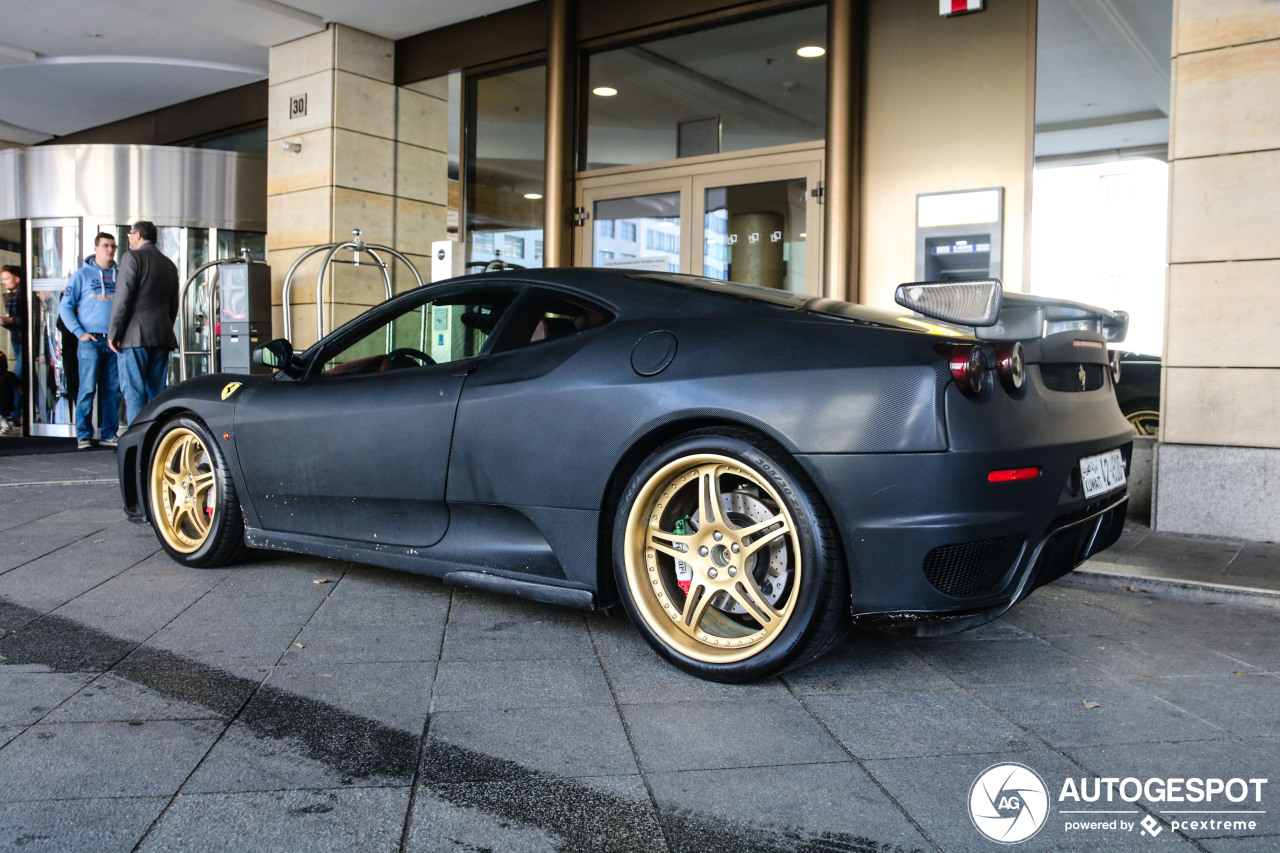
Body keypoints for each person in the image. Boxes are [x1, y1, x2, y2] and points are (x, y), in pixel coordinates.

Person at [109, 221, 179, 425]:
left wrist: (114, 333)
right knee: (157, 394)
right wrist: (164, 326)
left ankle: (137, 445)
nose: (129, 238)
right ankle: (156, 443)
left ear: (138, 235)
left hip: (134, 337)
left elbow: (122, 298)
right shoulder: (168, 264)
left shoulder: (132, 258)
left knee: (134, 392)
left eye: (130, 234)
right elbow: (172, 304)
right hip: (162, 335)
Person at [60, 233, 121, 449]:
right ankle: (83, 435)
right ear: (96, 248)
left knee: (113, 391)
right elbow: (65, 307)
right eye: (105, 245)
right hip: (90, 340)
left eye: (113, 246)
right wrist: (79, 333)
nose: (110, 250)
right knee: (87, 389)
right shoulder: (82, 275)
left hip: (113, 341)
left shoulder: (120, 275)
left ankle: (108, 434)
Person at [0, 264, 24, 424]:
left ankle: (14, 414)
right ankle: (41, 411)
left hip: (25, 342)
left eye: (6, 278)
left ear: (17, 279)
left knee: (16, 377)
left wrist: (9, 320)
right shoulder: (10, 296)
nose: (3, 282)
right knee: (28, 379)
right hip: (16, 341)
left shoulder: (24, 295)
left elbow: (31, 320)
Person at [0, 352, 17, 434]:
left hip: (4, 405)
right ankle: (7, 423)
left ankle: (6, 424)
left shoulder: (8, 376)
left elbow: (18, 387)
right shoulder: (9, 375)